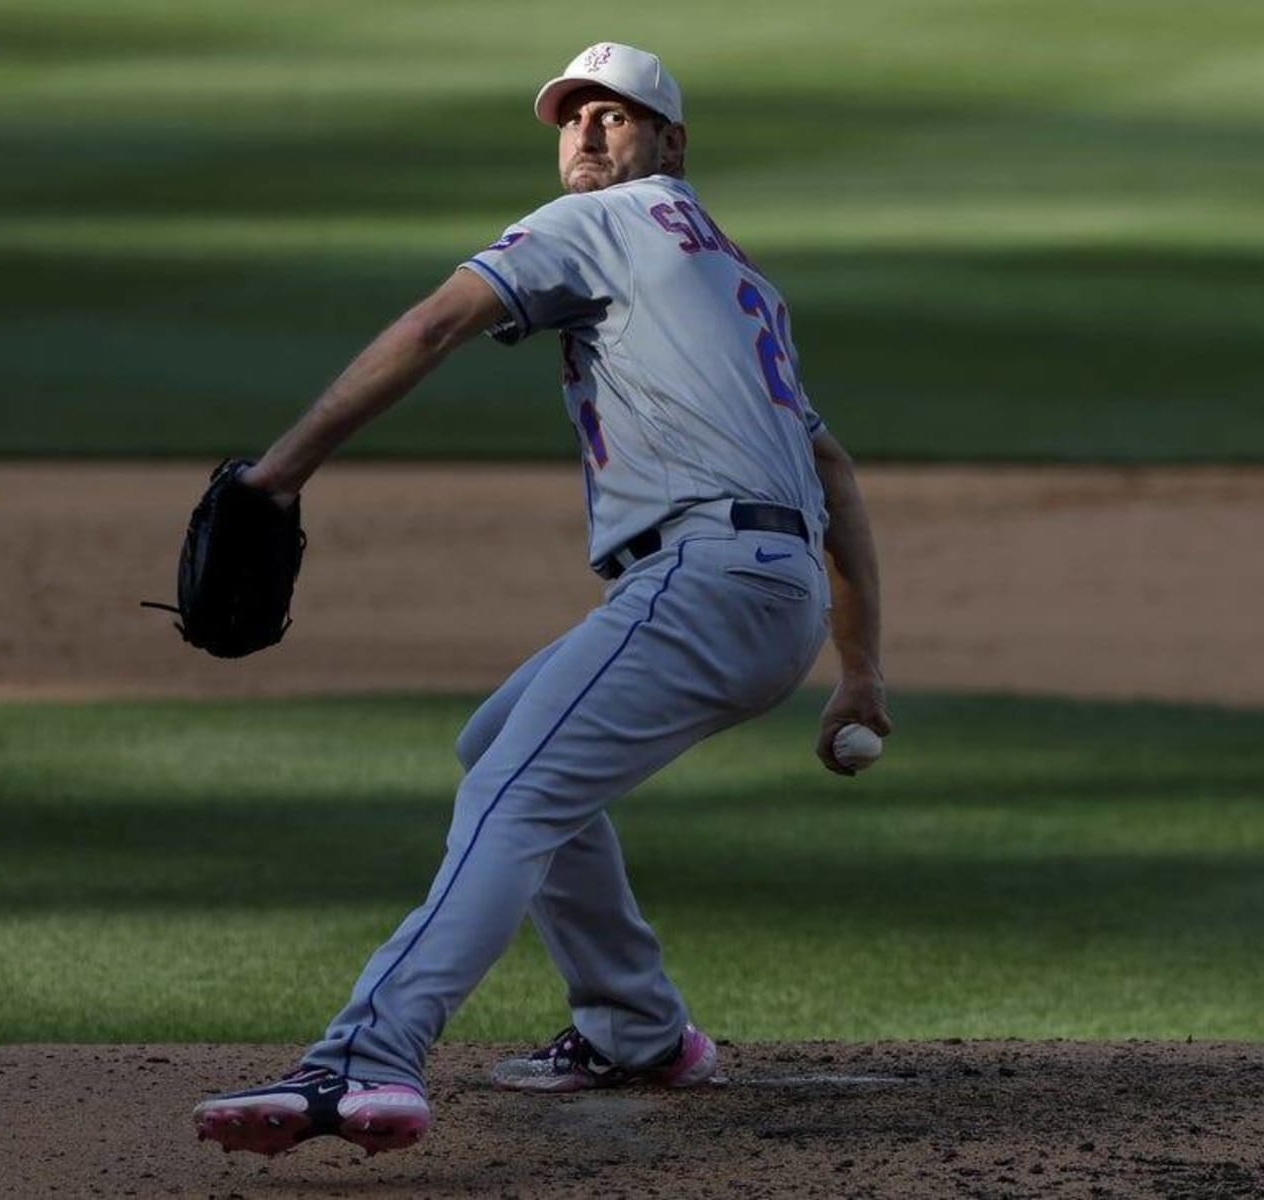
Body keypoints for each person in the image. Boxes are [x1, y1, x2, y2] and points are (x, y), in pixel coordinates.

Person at [192, 41, 891, 1157]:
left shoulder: (597, 224)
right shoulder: (737, 272)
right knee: (500, 747)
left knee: (511, 795)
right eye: (572, 116)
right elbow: (834, 471)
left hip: (701, 583)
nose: (587, 133)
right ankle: (638, 1027)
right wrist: (856, 668)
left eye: (616, 115)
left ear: (671, 141)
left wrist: (276, 475)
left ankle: (364, 1057)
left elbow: (432, 325)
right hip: (766, 593)